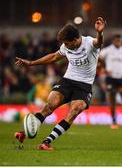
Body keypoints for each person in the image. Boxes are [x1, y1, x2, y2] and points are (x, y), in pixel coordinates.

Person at [15, 17, 106, 150]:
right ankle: (25, 133)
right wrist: (31, 63)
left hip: (84, 86)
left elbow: (99, 42)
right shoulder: (66, 45)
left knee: (74, 111)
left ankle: (46, 142)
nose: (65, 46)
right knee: (49, 106)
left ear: (75, 40)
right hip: (67, 81)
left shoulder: (89, 43)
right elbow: (54, 56)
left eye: (67, 43)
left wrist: (100, 33)